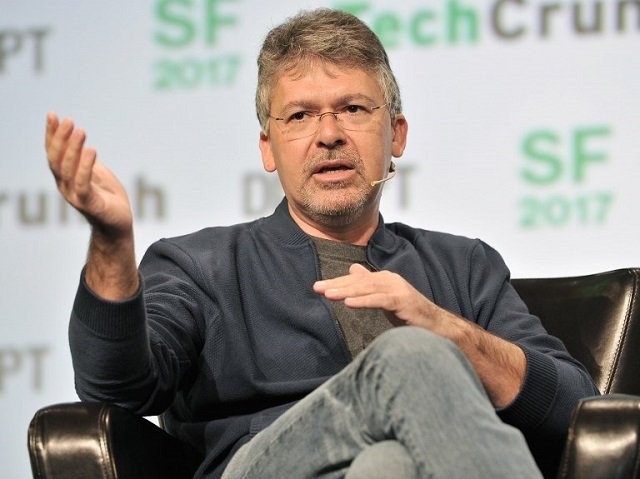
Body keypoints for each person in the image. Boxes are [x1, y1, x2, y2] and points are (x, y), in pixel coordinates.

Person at [45, 8, 598, 479]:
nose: (329, 133)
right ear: (269, 148)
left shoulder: (464, 265)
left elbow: (575, 408)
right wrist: (112, 245)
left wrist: (446, 329)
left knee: (389, 466)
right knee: (405, 358)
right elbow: (116, 391)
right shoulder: (200, 265)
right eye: (301, 115)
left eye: (353, 109)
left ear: (396, 135)